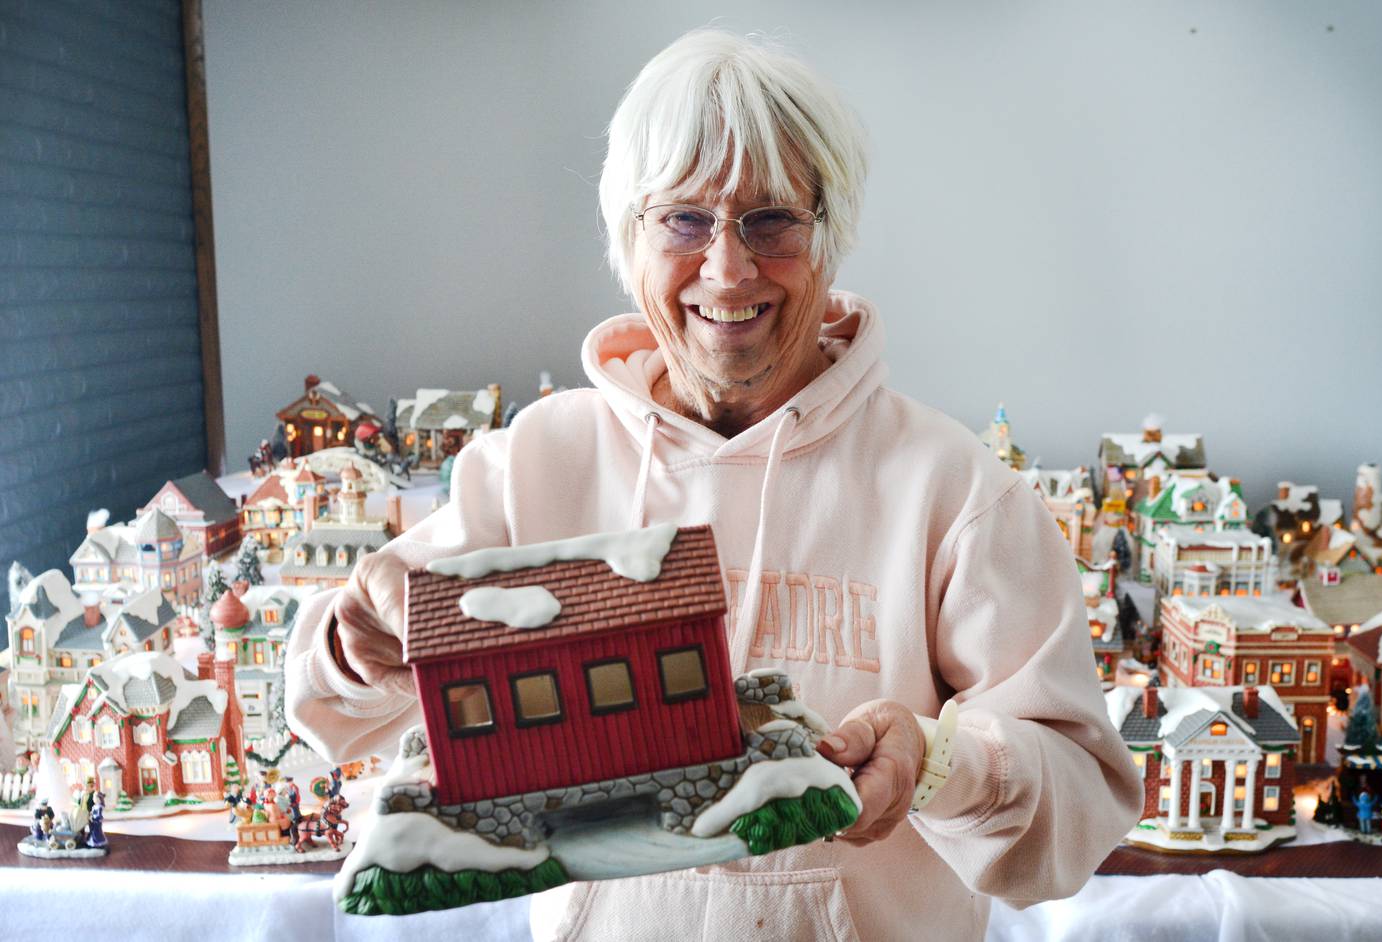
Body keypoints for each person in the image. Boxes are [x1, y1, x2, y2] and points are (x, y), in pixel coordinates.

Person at [286, 28, 1141, 940]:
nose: (727, 269)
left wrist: (940, 764)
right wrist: (355, 642)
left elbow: (1081, 806)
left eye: (771, 220)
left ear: (831, 235)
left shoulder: (956, 492)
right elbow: (331, 708)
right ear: (630, 236)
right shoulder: (537, 461)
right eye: (683, 220)